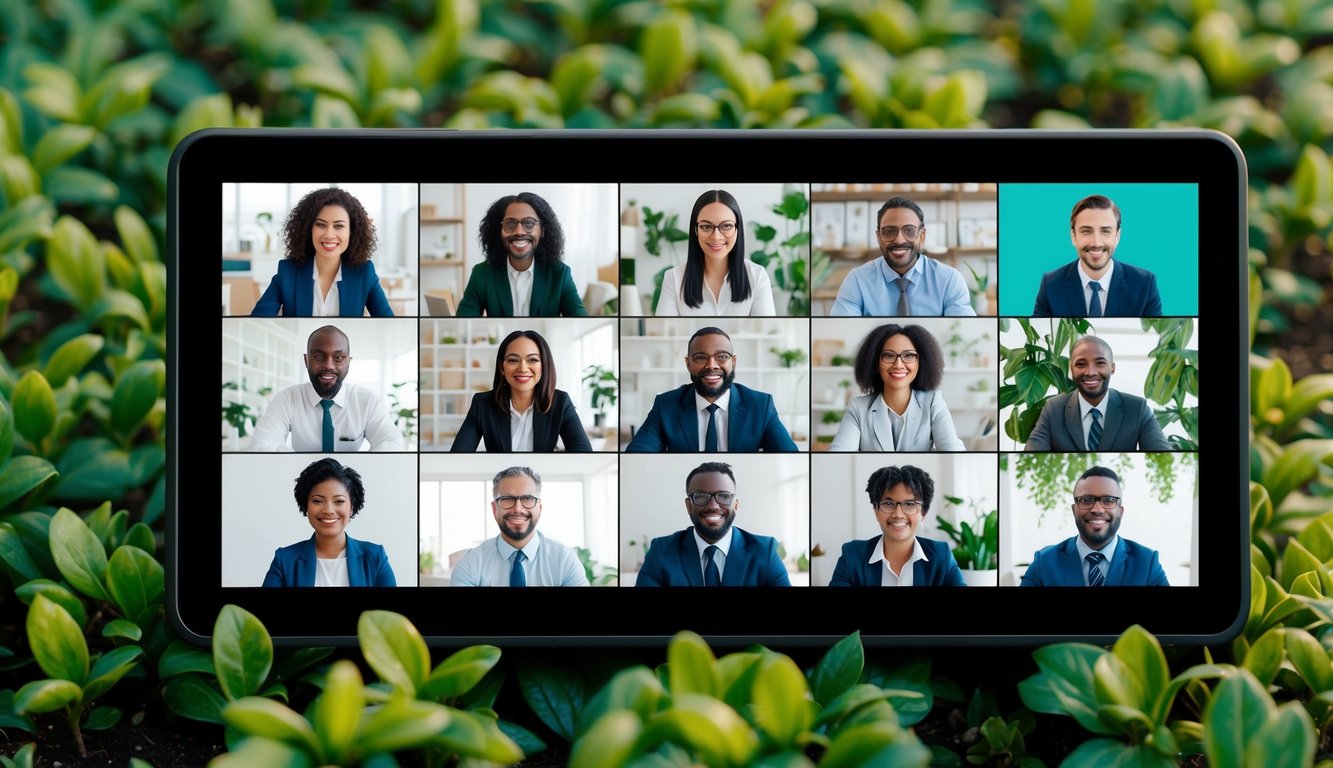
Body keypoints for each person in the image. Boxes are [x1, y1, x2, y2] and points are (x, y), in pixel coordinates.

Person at [624, 327, 798, 452]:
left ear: (734, 362)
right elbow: (638, 452)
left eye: (722, 357)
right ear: (688, 363)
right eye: (701, 358)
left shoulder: (761, 405)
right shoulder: (665, 405)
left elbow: (789, 456)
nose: (712, 365)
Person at [249, 325, 405, 452]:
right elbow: (261, 445)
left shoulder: (367, 402)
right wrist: (296, 463)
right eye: (318, 356)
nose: (329, 366)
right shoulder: (287, 399)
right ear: (306, 360)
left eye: (338, 358)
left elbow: (392, 443)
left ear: (348, 362)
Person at [635, 462, 790, 587]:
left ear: (735, 505)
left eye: (723, 496)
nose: (713, 505)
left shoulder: (765, 551)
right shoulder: (660, 552)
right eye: (701, 496)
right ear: (688, 506)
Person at [251, 187, 393, 317]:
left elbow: (388, 324)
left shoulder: (364, 272)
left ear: (352, 231)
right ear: (308, 229)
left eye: (338, 226)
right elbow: (257, 322)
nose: (329, 234)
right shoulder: (288, 272)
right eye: (320, 225)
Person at [1020, 466, 1169, 586]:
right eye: (1086, 500)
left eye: (1109, 500)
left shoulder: (1147, 562)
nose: (1097, 509)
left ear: (1121, 511)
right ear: (1074, 510)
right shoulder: (1044, 562)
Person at [830, 197, 975, 317]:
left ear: (922, 236)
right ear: (879, 237)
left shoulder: (949, 280)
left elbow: (962, 333)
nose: (899, 240)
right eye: (889, 231)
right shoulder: (857, 281)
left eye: (909, 231)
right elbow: (842, 330)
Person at [451, 330, 592, 452]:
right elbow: (458, 457)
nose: (523, 368)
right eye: (513, 360)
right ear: (501, 367)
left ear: (544, 366)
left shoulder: (561, 402)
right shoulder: (482, 404)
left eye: (533, 360)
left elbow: (583, 454)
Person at [262, 458, 396, 587]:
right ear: (306, 506)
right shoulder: (284, 560)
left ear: (352, 507)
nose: (328, 510)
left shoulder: (375, 557)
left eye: (339, 501)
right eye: (318, 501)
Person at [829, 324, 965, 451]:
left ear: (920, 363)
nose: (898, 364)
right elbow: (838, 454)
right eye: (888, 355)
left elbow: (952, 449)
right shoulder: (858, 408)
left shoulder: (933, 403)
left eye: (909, 355)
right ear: (875, 363)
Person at [1024, 335, 1170, 451]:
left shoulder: (1137, 408)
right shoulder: (1053, 409)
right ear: (1071, 368)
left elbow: (1161, 452)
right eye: (1081, 364)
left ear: (1112, 368)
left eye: (1100, 363)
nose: (1090, 372)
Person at [829, 465, 966, 586]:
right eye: (888, 504)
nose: (898, 514)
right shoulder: (852, 555)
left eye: (909, 504)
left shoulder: (942, 556)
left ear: (923, 513)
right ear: (876, 511)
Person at [451, 466, 589, 586]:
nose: (518, 509)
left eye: (527, 499)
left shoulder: (565, 560)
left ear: (539, 509)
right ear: (494, 509)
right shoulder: (470, 564)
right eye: (507, 499)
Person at [456, 192, 588, 317]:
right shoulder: (482, 274)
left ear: (542, 231)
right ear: (499, 231)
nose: (519, 231)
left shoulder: (560, 274)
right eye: (510, 224)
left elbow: (580, 323)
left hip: (543, 342)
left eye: (529, 223)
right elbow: (463, 324)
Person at [1032, 194, 1163, 317]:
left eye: (1105, 231)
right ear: (1073, 236)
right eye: (1086, 231)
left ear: (1117, 236)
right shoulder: (1050, 285)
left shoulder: (1145, 285)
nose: (1096, 243)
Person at [656, 190, 776, 316]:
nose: (716, 237)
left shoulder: (757, 276)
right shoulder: (673, 278)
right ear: (696, 230)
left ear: (737, 229)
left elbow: (767, 331)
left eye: (726, 226)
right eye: (706, 227)